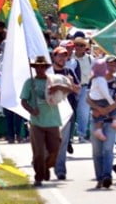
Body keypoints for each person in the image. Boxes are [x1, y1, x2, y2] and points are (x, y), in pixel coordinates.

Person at [20, 56, 62, 187]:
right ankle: (38, 176)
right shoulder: (29, 82)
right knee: (38, 151)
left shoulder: (53, 81)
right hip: (37, 122)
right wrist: (32, 111)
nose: (40, 69)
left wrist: (58, 88)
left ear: (46, 68)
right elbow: (23, 100)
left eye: (42, 66)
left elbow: (67, 91)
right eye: (37, 66)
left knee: (55, 149)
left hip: (53, 120)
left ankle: (46, 166)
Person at [51, 46, 81, 181]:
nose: (62, 58)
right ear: (54, 57)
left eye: (65, 56)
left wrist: (69, 83)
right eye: (59, 56)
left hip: (67, 111)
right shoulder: (48, 72)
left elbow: (77, 90)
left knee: (62, 142)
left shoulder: (69, 71)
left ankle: (60, 170)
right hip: (50, 110)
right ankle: (42, 163)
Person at [88, 58, 116, 141]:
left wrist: (106, 110)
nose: (112, 67)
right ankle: (100, 129)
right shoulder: (95, 80)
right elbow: (88, 99)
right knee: (97, 152)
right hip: (96, 114)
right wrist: (99, 109)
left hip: (109, 118)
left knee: (108, 149)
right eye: (109, 65)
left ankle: (114, 121)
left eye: (115, 65)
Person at [73, 37, 94, 142]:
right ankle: (69, 136)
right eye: (77, 45)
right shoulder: (70, 57)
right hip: (72, 88)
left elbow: (95, 73)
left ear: (85, 47)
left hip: (85, 87)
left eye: (82, 45)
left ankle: (82, 134)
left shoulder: (90, 59)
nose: (79, 47)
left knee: (84, 112)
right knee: (71, 112)